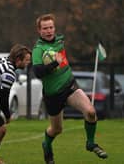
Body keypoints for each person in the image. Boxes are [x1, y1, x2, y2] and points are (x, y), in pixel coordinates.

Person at [32, 13, 108, 164]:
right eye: (45, 28)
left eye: (51, 27)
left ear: (55, 28)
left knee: (91, 112)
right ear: (39, 31)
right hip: (53, 94)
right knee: (56, 129)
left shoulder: (60, 40)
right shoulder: (38, 49)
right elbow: (38, 72)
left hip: (69, 85)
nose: (48, 31)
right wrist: (54, 63)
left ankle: (90, 143)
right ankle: (46, 144)